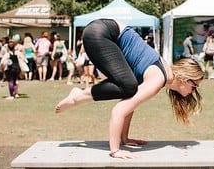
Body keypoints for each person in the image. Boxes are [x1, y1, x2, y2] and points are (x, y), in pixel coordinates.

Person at [55, 18, 204, 159]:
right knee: (128, 87)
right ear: (185, 79)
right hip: (101, 34)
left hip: (101, 32)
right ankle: (78, 96)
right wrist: (115, 150)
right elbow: (119, 111)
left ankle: (77, 95)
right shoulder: (158, 79)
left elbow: (130, 102)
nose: (194, 91)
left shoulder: (162, 73)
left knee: (129, 88)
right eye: (195, 85)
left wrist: (124, 138)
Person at [0, 34, 26, 100]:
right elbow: (24, 59)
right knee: (16, 80)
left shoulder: (7, 54)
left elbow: (2, 62)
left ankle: (11, 95)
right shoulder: (18, 53)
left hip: (9, 69)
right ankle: (16, 93)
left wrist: (1, 68)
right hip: (17, 68)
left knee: (10, 81)